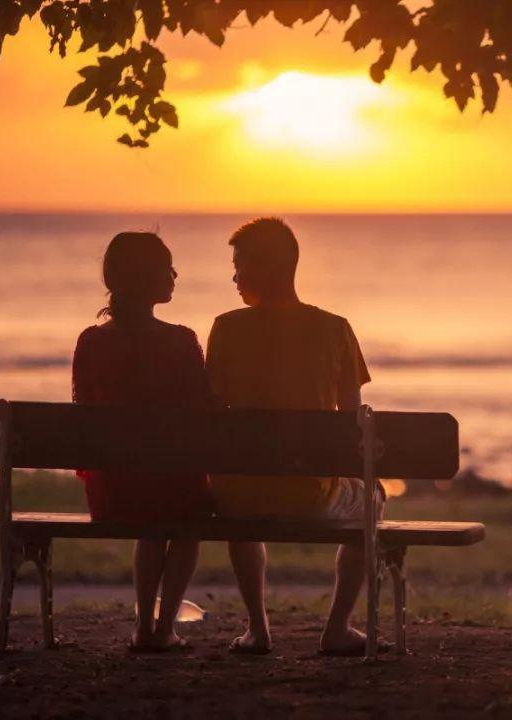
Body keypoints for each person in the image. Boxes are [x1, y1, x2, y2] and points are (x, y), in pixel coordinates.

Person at [206, 218, 378, 656]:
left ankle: (258, 629)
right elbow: (354, 422)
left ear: (264, 270)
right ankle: (338, 627)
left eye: (239, 266)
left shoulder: (226, 328)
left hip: (237, 496)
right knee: (372, 497)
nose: (234, 276)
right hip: (311, 495)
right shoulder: (334, 329)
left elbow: (209, 414)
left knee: (243, 492)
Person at [72, 232, 212, 652]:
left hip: (112, 493)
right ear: (147, 278)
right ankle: (163, 627)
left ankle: (143, 628)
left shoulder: (91, 341)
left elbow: (84, 416)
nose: (174, 275)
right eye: (167, 267)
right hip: (174, 489)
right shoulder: (180, 341)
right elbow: (204, 415)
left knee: (152, 515)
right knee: (187, 522)